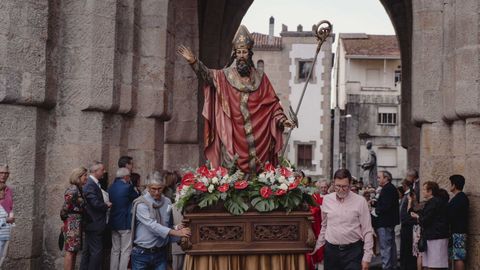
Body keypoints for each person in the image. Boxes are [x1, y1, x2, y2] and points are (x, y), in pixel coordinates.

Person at [177, 25, 295, 174]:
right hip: (233, 135)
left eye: (244, 52)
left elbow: (272, 106)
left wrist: (283, 120)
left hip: (260, 139)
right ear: (235, 55)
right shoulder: (225, 76)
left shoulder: (261, 78)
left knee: (259, 176)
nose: (241, 55)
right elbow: (207, 75)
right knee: (231, 171)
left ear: (249, 54)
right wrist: (194, 62)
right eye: (238, 52)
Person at [311, 168, 373, 270]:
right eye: (338, 186)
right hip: (331, 251)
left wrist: (367, 257)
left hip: (353, 252)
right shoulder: (327, 200)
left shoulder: (360, 201)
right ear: (333, 184)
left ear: (350, 184)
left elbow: (367, 230)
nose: (340, 189)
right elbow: (324, 226)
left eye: (344, 186)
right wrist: (317, 247)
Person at [130, 171, 191, 270]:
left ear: (164, 187)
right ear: (148, 187)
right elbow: (153, 226)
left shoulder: (167, 201)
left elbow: (166, 224)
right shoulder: (141, 204)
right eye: (153, 189)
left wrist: (176, 227)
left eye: (160, 189)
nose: (157, 192)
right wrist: (176, 232)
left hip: (160, 253)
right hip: (141, 254)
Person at [80, 161, 112, 270]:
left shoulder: (93, 183)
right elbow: (95, 203)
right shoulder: (90, 184)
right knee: (96, 253)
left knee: (88, 252)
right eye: (102, 170)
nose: (104, 172)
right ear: (95, 171)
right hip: (94, 223)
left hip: (93, 223)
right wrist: (106, 205)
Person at [410, 181, 449, 270]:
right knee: (431, 265)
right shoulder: (434, 202)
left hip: (436, 237)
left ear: (430, 191)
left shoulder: (434, 202)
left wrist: (417, 216)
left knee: (434, 265)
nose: (422, 191)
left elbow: (426, 219)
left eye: (424, 189)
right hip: (434, 236)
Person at [108, 168, 140, 270]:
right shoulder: (128, 187)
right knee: (126, 250)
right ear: (126, 177)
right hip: (125, 222)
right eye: (129, 176)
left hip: (114, 222)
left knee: (115, 250)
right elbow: (137, 197)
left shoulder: (111, 187)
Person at [61, 167, 88, 270]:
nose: (86, 177)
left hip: (76, 222)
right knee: (70, 251)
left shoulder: (79, 189)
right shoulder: (73, 189)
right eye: (85, 175)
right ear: (78, 176)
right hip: (72, 222)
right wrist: (65, 221)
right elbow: (65, 207)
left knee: (74, 251)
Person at [373, 170, 399, 270]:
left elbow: (386, 206)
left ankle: (387, 267)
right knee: (390, 246)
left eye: (379, 177)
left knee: (386, 247)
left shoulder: (388, 189)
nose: (378, 179)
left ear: (386, 178)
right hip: (388, 222)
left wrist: (374, 210)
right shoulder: (389, 188)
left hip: (385, 222)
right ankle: (391, 266)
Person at [448, 174, 469, 270]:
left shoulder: (459, 198)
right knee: (457, 257)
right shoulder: (461, 197)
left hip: (458, 232)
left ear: (454, 185)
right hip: (458, 231)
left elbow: (452, 215)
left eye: (450, 183)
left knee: (458, 258)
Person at [399, 179, 417, 270]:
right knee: (404, 248)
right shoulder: (406, 195)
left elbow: (410, 211)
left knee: (407, 248)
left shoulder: (410, 195)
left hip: (408, 225)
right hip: (405, 224)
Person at [0, 164, 14, 264]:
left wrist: (12, 215)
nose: (4, 175)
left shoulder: (8, 190)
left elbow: (9, 208)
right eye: (1, 172)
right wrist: (4, 220)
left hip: (5, 232)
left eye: (6, 173)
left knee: (1, 260)